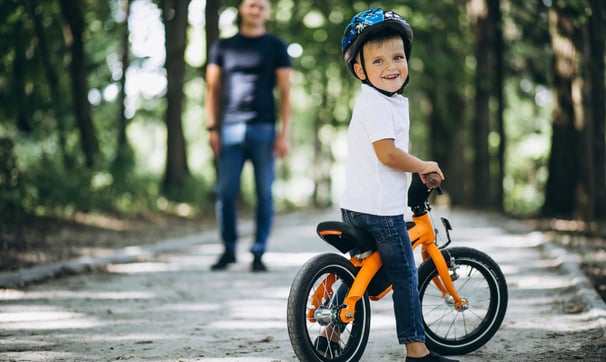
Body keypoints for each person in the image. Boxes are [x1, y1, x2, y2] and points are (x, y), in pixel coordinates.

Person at [327, 8, 459, 362]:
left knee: (363, 270)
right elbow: (387, 154)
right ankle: (417, 351)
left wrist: (412, 167)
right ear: (360, 70)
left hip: (356, 206)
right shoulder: (376, 105)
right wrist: (424, 165)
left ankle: (330, 330)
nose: (391, 67)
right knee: (405, 276)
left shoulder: (385, 101)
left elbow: (389, 155)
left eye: (398, 57)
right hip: (379, 213)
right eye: (379, 60)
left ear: (408, 61)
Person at [205, 0, 291, 272]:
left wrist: (284, 133)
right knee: (226, 192)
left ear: (267, 12)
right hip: (229, 128)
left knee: (264, 193)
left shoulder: (276, 46)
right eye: (252, 5)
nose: (256, 10)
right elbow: (212, 90)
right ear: (242, 9)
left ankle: (258, 250)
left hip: (264, 129)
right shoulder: (223, 46)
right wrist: (212, 127)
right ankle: (229, 249)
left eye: (262, 6)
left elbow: (286, 91)